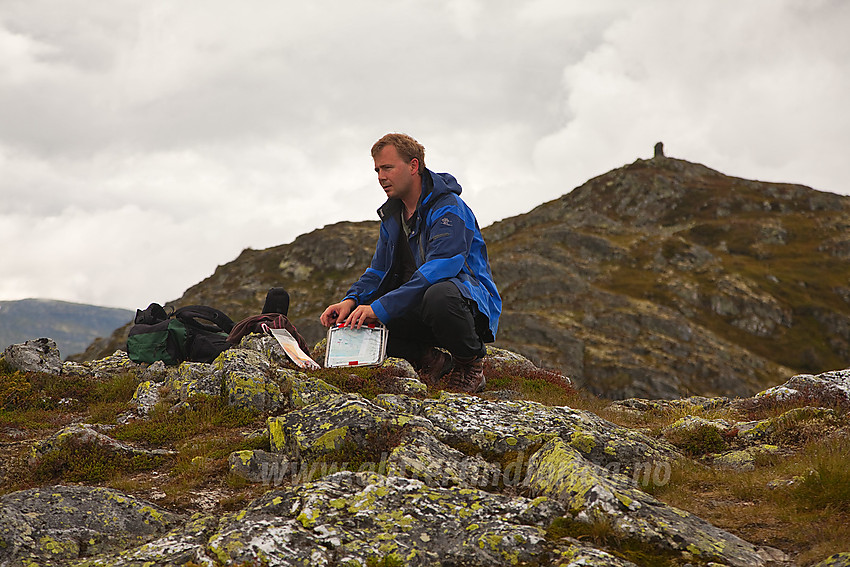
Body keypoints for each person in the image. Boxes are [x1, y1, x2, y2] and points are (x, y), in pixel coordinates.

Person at [320, 133, 501, 393]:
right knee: (364, 319)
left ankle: (470, 365)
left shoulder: (449, 208)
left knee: (439, 294)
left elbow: (442, 267)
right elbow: (378, 271)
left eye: (388, 168)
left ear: (414, 166)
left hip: (465, 307)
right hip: (419, 306)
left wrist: (380, 307)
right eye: (377, 170)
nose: (381, 176)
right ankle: (433, 361)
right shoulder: (392, 215)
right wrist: (351, 302)